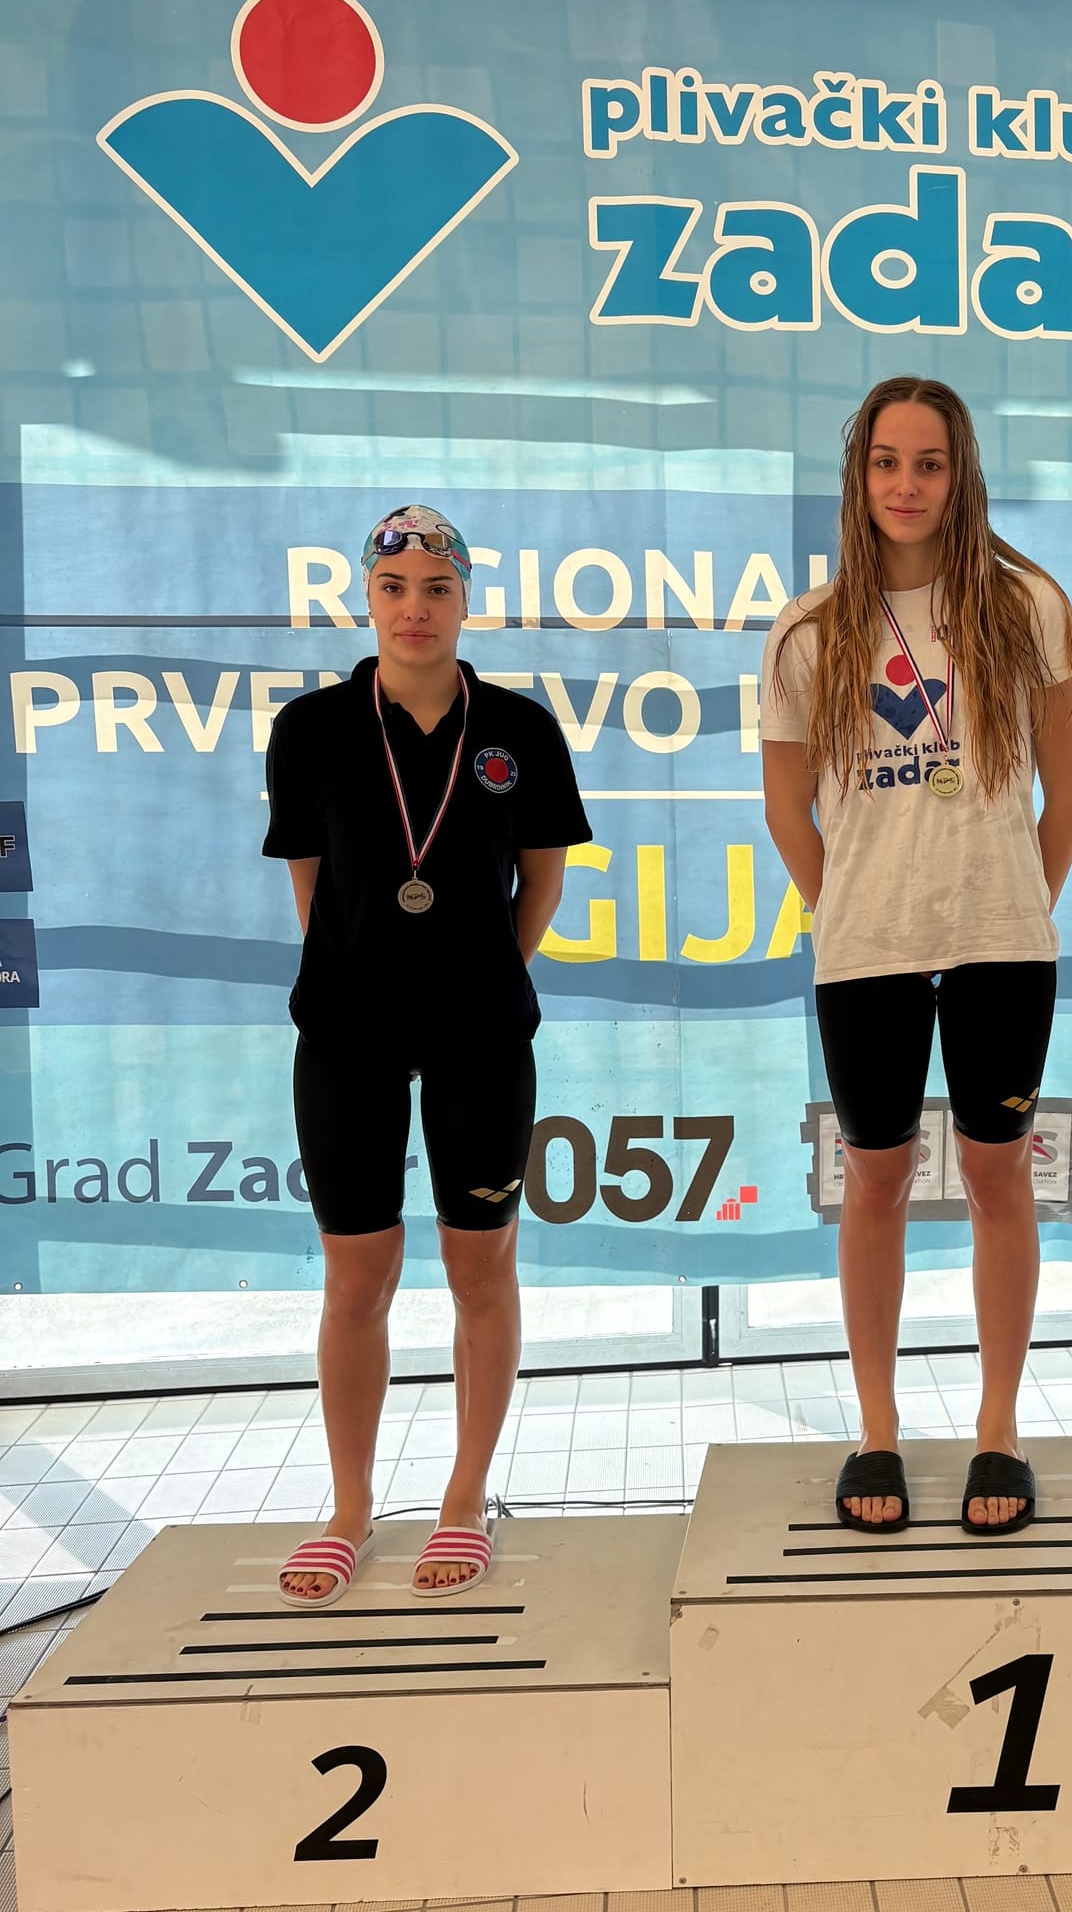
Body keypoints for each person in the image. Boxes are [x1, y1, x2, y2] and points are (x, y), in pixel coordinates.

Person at [760, 377, 1072, 1536]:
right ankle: (877, 1429)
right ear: (858, 475)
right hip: (867, 952)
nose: (906, 485)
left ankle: (999, 1425)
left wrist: (1013, 910)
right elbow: (786, 811)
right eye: (886, 462)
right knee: (876, 1181)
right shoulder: (808, 630)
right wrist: (856, 911)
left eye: (930, 463)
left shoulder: (1025, 606)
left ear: (962, 476)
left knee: (1000, 1177)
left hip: (1003, 944)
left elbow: (1068, 793)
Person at [263, 504, 589, 1606]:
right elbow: (313, 887)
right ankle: (349, 1508)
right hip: (345, 1034)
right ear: (367, 597)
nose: (416, 608)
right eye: (395, 588)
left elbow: (540, 880)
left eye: (437, 589)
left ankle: (463, 1495)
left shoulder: (519, 729)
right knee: (356, 1278)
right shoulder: (311, 729)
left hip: (479, 1035)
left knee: (479, 1269)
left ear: (465, 602)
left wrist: (483, 973)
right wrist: (362, 972)